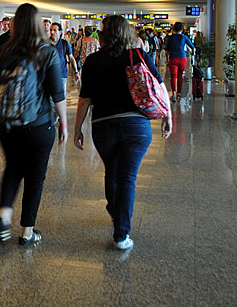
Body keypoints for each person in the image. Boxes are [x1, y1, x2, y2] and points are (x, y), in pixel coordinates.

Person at [73, 15, 172, 250]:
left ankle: (115, 210)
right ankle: (121, 233)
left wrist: (77, 128)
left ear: (104, 35)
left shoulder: (93, 61)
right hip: (136, 125)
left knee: (112, 171)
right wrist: (168, 116)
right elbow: (159, 87)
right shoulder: (137, 55)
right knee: (127, 178)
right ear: (128, 34)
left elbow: (85, 99)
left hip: (103, 125)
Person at [0, 3, 68, 246]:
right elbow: (57, 93)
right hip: (39, 124)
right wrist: (64, 125)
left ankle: (4, 216)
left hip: (9, 125)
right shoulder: (48, 52)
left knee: (13, 169)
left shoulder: (4, 50)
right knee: (35, 177)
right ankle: (27, 232)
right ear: (38, 24)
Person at [164, 22, 195, 101]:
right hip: (182, 58)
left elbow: (167, 50)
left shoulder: (170, 38)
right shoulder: (184, 37)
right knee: (180, 76)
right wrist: (193, 54)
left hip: (173, 58)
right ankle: (179, 93)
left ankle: (174, 92)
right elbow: (193, 47)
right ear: (182, 29)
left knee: (173, 77)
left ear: (173, 29)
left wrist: (167, 58)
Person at [50, 22, 77, 95]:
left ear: (60, 32)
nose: (52, 32)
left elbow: (71, 58)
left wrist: (76, 72)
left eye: (55, 30)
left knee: (61, 97)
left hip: (62, 75)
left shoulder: (65, 43)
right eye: (51, 30)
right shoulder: (46, 44)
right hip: (49, 76)